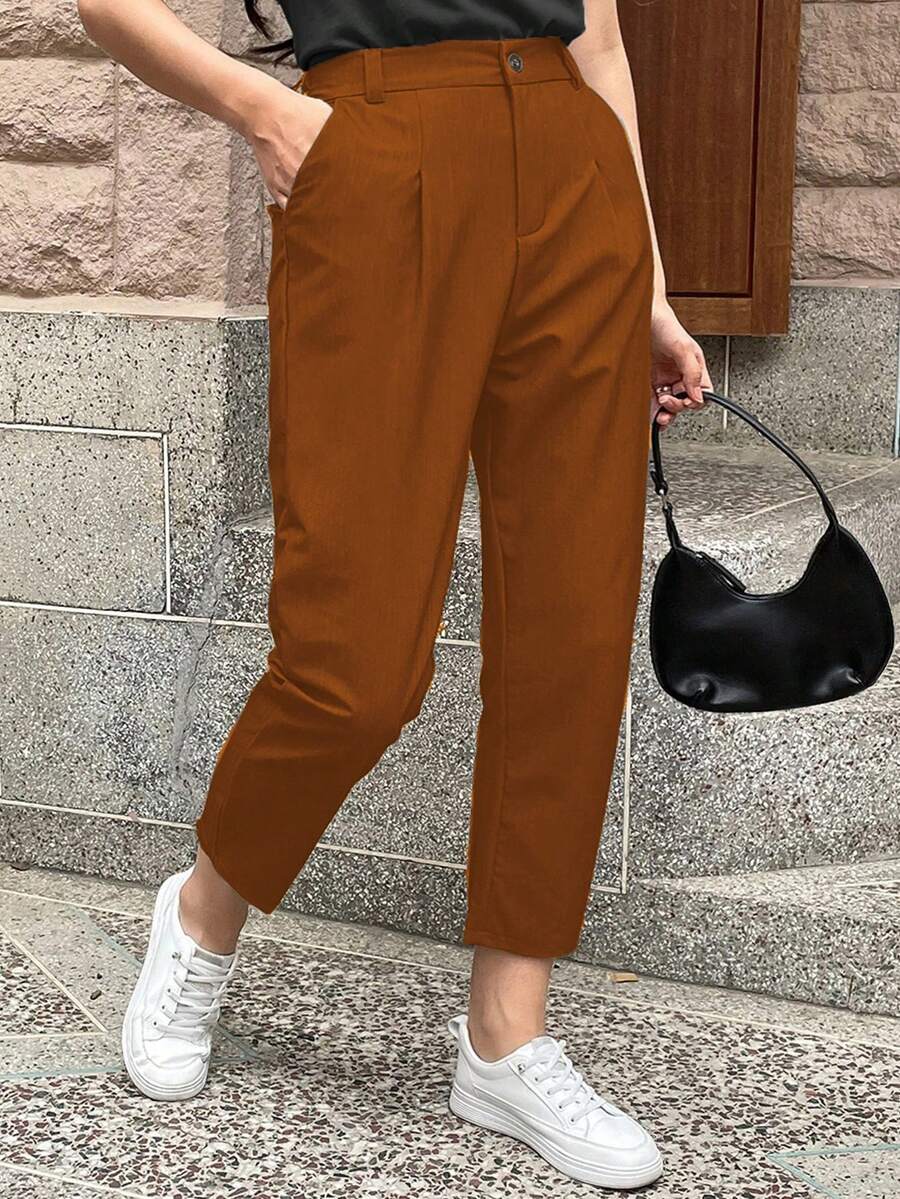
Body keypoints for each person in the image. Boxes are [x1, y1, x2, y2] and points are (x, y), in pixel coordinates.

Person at [77, 0, 710, 1188]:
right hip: (375, 164)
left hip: (576, 179)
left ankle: (506, 1032)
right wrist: (264, 111)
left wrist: (652, 291)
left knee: (573, 628)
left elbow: (600, 41)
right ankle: (204, 911)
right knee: (352, 662)